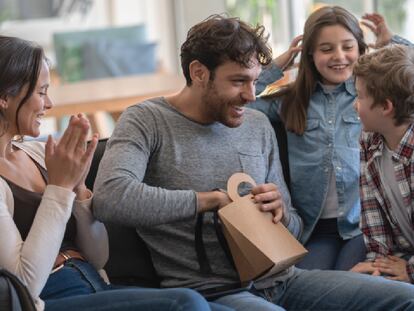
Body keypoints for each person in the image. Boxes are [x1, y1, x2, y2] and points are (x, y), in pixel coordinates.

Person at [93, 14, 414, 311]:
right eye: (238, 82)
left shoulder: (256, 126)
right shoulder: (146, 121)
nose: (251, 95)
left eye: (254, 81)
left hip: (287, 279)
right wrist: (209, 201)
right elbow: (111, 198)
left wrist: (280, 213)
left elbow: (294, 225)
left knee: (406, 298)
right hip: (215, 290)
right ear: (198, 73)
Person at [0, 35, 230, 311]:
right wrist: (59, 190)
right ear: (4, 97)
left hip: (94, 285)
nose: (49, 104)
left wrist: (79, 189)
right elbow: (23, 284)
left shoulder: (39, 155)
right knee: (185, 303)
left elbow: (98, 258)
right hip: (49, 299)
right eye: (41, 92)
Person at [249, 6, 366, 271]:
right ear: (309, 54)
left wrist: (390, 42)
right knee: (307, 287)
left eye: (348, 47)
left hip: (361, 227)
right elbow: (239, 105)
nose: (339, 57)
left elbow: (406, 79)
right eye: (326, 49)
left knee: (346, 285)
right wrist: (275, 67)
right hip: (315, 230)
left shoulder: (369, 96)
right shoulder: (290, 101)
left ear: (360, 48)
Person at [350, 44, 414, 284]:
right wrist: (378, 265)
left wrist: (410, 271)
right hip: (401, 253)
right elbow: (371, 211)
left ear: (386, 107)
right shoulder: (370, 139)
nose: (355, 104)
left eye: (359, 96)